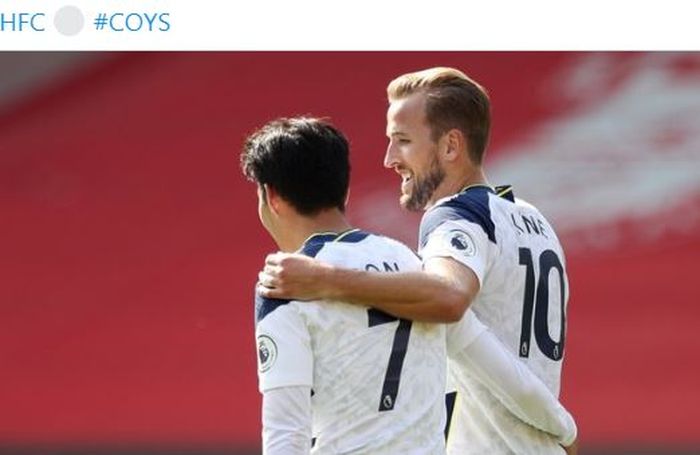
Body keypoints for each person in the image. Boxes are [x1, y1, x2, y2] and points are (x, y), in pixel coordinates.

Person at [258, 68, 578, 454]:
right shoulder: (533, 220)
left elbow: (449, 299)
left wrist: (325, 279)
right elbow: (493, 352)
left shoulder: (456, 216)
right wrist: (561, 426)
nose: (390, 158)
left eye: (403, 141)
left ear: (450, 147)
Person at [242, 117, 448, 454]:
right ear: (344, 189)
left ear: (272, 195)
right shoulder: (410, 259)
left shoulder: (285, 282)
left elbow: (287, 431)